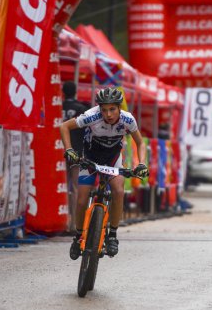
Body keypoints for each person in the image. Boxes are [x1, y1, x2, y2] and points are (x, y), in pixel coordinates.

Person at [60, 87, 149, 259]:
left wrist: (143, 163)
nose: (108, 114)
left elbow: (140, 143)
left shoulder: (127, 119)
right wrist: (69, 150)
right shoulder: (91, 116)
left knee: (118, 191)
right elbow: (64, 126)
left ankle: (112, 236)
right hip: (90, 159)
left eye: (112, 109)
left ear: (119, 108)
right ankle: (78, 237)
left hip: (112, 159)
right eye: (104, 109)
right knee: (82, 198)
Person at [61, 81, 89, 233]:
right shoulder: (81, 109)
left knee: (62, 187)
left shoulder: (58, 107)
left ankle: (62, 222)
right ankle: (75, 224)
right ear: (75, 91)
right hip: (77, 151)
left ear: (63, 92)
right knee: (76, 188)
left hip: (59, 151)